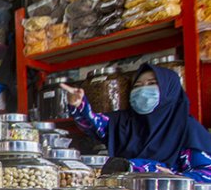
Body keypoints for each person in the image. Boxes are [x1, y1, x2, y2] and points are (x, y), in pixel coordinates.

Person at [61, 63, 211, 182]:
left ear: (169, 90)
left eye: (152, 83)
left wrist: (175, 177)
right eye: (137, 86)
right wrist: (79, 105)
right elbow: (95, 125)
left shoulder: (187, 128)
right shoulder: (124, 121)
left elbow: (207, 174)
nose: (143, 90)